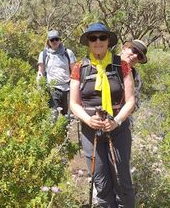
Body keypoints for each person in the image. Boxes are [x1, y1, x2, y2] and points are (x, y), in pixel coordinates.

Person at [70, 22, 136, 208]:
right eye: (93, 38)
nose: (98, 41)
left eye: (102, 37)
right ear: (88, 42)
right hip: (91, 131)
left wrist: (116, 121)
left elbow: (130, 100)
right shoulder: (79, 68)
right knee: (101, 180)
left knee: (123, 180)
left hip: (118, 128)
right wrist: (88, 119)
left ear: (108, 41)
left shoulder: (121, 66)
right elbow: (73, 103)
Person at [37, 29, 76, 122]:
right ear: (48, 41)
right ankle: (53, 135)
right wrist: (40, 87)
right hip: (52, 88)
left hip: (67, 88)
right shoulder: (44, 54)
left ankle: (66, 135)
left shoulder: (68, 53)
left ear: (60, 40)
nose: (54, 42)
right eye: (52, 40)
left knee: (68, 116)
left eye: (56, 39)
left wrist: (76, 88)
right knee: (52, 115)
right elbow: (40, 72)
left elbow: (75, 71)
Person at [120, 39, 148, 111]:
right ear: (124, 49)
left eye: (140, 56)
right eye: (134, 50)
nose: (135, 56)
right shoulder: (105, 63)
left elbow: (136, 104)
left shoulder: (135, 76)